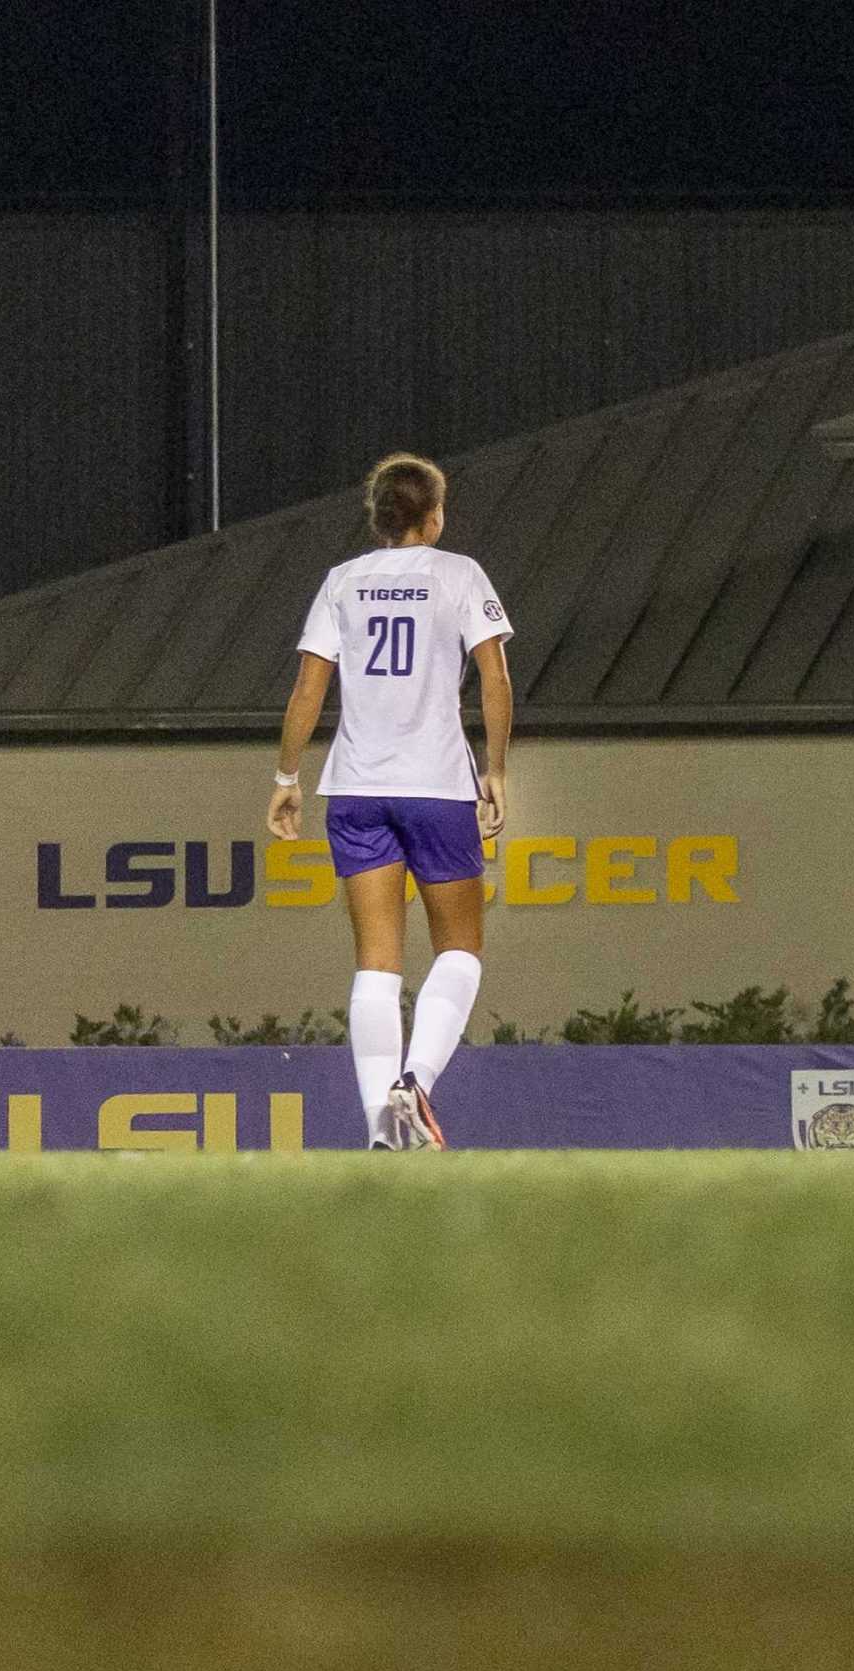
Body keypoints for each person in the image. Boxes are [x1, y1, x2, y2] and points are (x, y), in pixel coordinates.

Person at [267, 453, 513, 1151]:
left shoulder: (341, 582)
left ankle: (382, 1126)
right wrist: (495, 770)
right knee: (460, 950)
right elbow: (495, 679)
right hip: (435, 784)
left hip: (356, 787)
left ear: (378, 519)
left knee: (377, 962)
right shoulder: (459, 573)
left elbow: (308, 691)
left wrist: (287, 778)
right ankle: (415, 1085)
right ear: (433, 516)